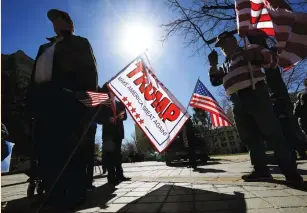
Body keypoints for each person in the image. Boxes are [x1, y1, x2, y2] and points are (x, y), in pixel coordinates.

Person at [208, 31, 303, 186]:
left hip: (255, 93)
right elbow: (215, 81)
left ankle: (289, 171)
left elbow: (272, 60)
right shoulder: (226, 64)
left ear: (233, 40)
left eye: (224, 44)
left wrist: (254, 57)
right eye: (220, 47)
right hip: (236, 100)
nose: (223, 48)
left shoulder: (249, 48)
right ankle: (260, 170)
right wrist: (212, 65)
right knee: (250, 137)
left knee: (272, 133)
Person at [26, 9, 98, 208]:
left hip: (67, 101)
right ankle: (51, 193)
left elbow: (90, 74)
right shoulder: (44, 47)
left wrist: (86, 104)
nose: (55, 23)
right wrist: (30, 105)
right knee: (46, 149)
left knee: (70, 149)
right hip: (43, 103)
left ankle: (76, 193)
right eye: (53, 20)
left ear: (69, 23)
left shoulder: (80, 43)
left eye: (59, 19)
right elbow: (34, 78)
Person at [247, 36, 307, 160]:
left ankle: (295, 151)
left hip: (280, 100)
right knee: (287, 128)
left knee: (287, 128)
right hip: (280, 102)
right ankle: (296, 151)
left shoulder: (270, 60)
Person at [97, 83, 129, 185]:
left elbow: (125, 117)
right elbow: (98, 119)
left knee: (117, 155)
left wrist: (122, 117)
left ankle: (120, 175)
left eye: (113, 91)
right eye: (109, 90)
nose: (112, 92)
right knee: (109, 155)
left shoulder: (120, 104)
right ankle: (111, 177)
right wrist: (107, 119)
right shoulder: (103, 104)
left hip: (118, 132)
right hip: (108, 133)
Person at [85, 122, 97, 190]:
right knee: (89, 156)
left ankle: (88, 181)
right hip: (88, 126)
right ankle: (88, 182)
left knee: (89, 156)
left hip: (91, 126)